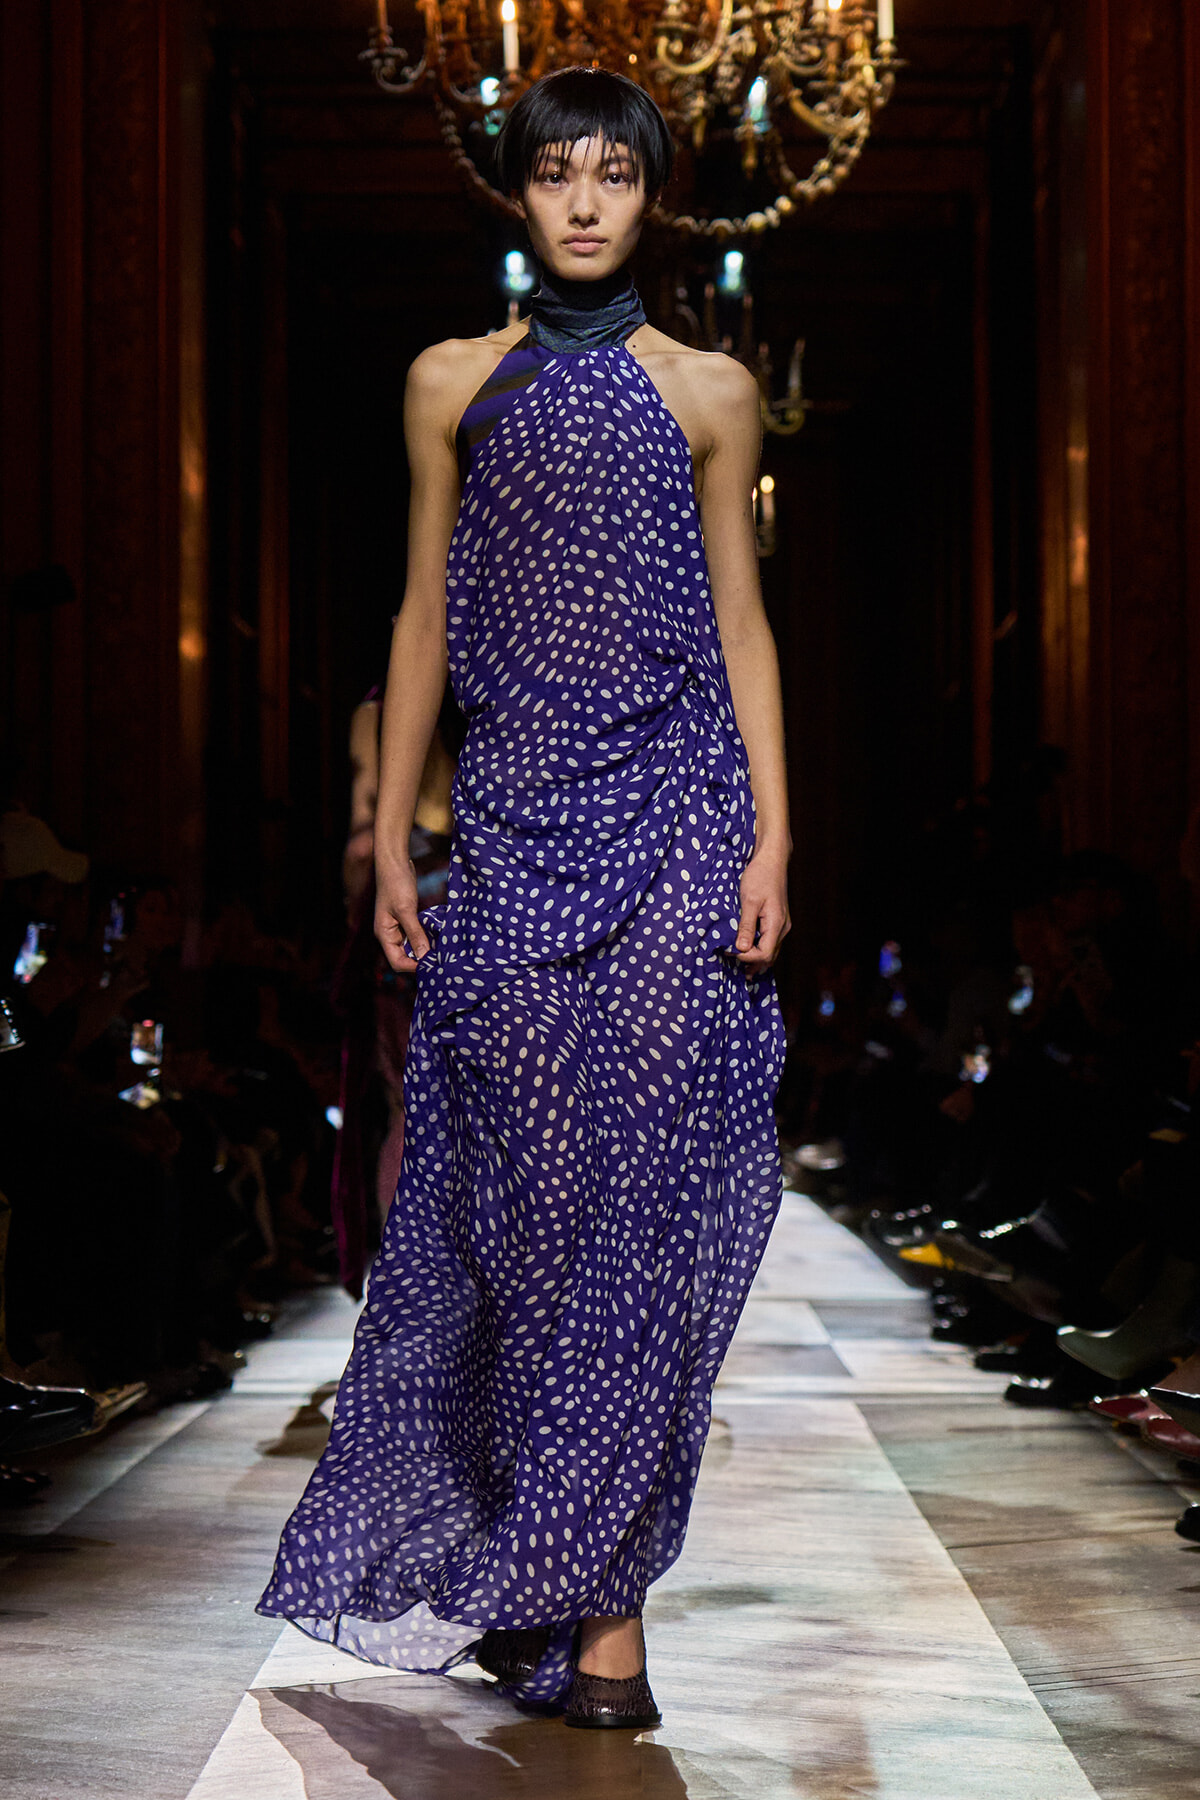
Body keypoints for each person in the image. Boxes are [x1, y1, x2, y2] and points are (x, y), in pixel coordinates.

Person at [258, 66, 791, 1730]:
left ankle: (609, 1626)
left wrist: (774, 837)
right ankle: (538, 1573)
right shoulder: (449, 385)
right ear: (516, 192)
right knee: (520, 1219)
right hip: (502, 835)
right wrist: (405, 846)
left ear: (652, 196)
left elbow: (743, 626)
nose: (581, 204)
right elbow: (422, 616)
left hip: (680, 825)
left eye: (610, 178)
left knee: (638, 1218)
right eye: (554, 174)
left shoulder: (711, 391)